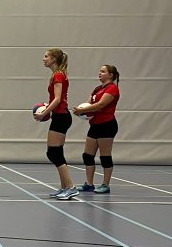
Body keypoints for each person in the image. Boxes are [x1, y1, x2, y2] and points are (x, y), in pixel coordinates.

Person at [72, 64, 121, 194]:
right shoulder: (97, 89)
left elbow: (100, 105)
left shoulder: (112, 89)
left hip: (107, 125)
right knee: (87, 156)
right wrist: (80, 111)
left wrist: (82, 110)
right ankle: (89, 184)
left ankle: (105, 185)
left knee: (105, 157)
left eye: (103, 71)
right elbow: (88, 104)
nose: (99, 73)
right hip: (94, 125)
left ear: (110, 75)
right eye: (99, 71)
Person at [36, 48, 76, 199]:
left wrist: (44, 113)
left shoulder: (58, 75)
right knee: (57, 152)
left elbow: (58, 99)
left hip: (61, 117)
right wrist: (48, 107)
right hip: (60, 116)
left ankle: (71, 187)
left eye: (46, 56)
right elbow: (56, 99)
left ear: (53, 59)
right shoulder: (57, 74)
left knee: (53, 153)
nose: (44, 59)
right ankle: (64, 187)